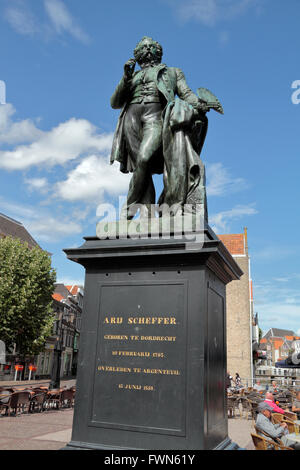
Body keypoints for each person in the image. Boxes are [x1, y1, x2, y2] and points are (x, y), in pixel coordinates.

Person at [110, 36, 222, 220]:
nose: (147, 49)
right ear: (137, 54)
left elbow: (186, 94)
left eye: (151, 47)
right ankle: (147, 215)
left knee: (144, 159)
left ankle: (128, 208)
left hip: (155, 116)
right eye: (142, 47)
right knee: (141, 166)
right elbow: (115, 102)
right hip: (131, 118)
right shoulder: (132, 76)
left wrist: (199, 104)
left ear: (158, 51)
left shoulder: (172, 72)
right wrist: (125, 77)